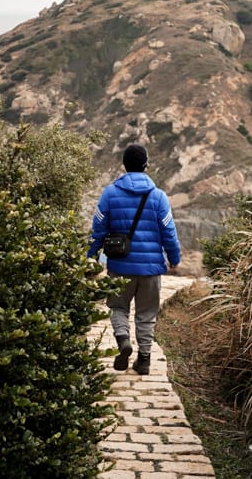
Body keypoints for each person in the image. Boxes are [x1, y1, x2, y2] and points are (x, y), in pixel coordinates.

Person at [88, 144, 181, 375]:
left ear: (124, 165)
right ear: (146, 165)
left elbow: (98, 229)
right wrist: (174, 257)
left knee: (117, 306)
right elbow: (169, 230)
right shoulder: (158, 197)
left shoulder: (110, 193)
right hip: (151, 269)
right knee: (146, 314)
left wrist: (90, 257)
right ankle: (145, 360)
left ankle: (123, 340)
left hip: (120, 265)